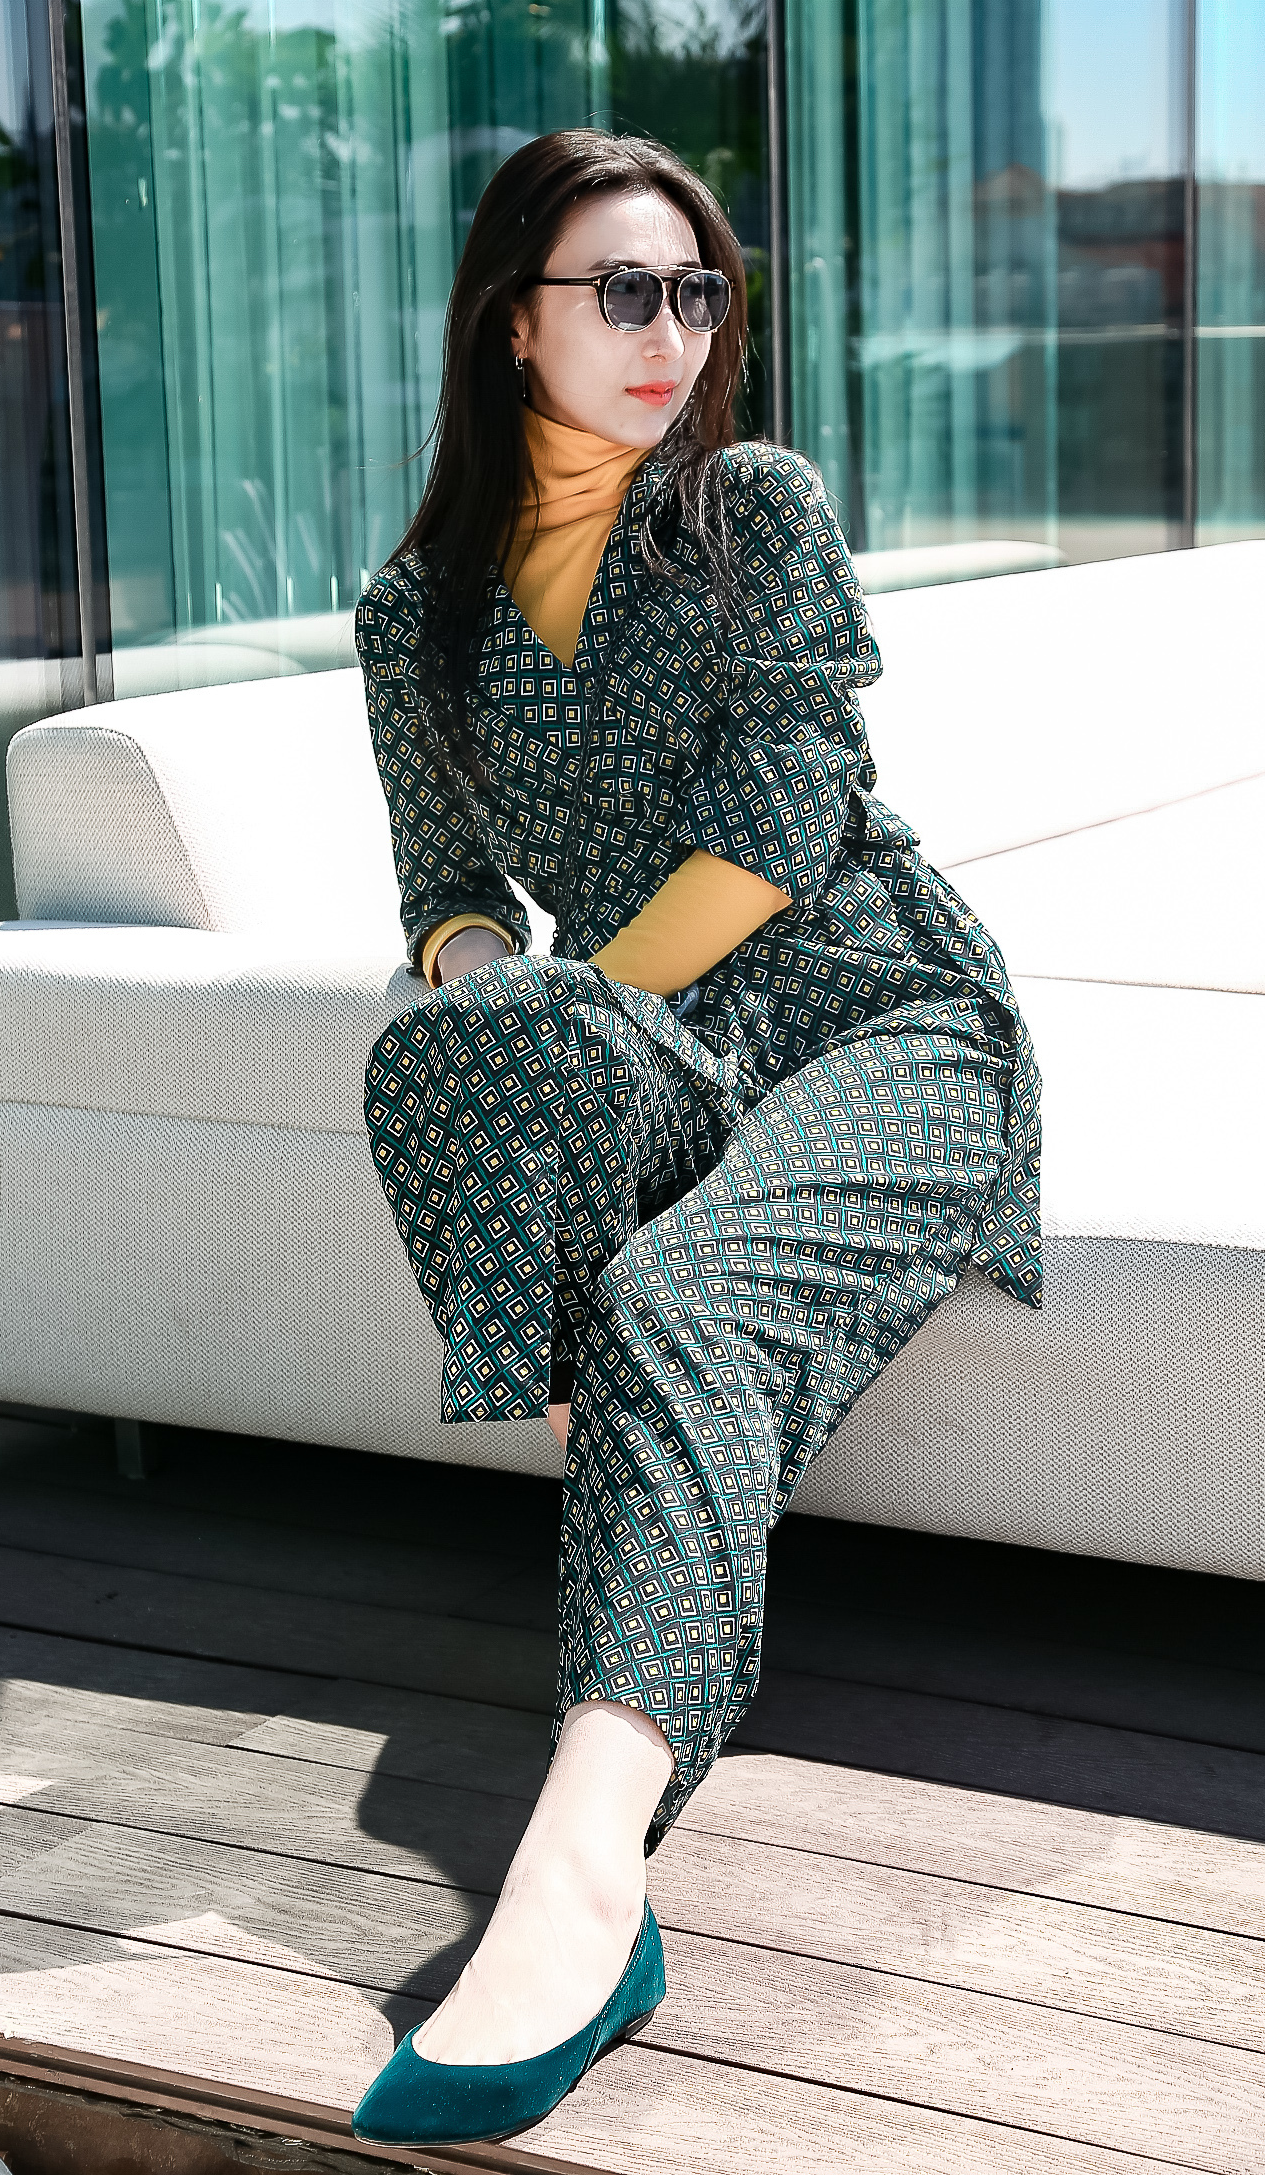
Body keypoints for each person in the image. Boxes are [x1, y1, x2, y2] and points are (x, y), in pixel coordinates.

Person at [349, 128, 1041, 2147]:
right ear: (513, 323)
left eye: (697, 292)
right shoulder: (416, 611)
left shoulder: (749, 509)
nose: (672, 332)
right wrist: (493, 980)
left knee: (674, 1297)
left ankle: (580, 1877)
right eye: (622, 291)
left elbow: (782, 816)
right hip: (666, 1045)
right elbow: (444, 888)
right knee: (436, 1051)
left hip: (878, 1012)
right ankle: (621, 1413)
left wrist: (582, 1006)